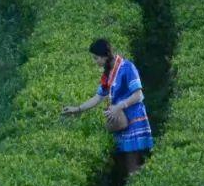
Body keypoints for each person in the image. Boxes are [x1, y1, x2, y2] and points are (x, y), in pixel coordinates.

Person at [61, 38, 153, 174]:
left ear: (105, 56)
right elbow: (98, 97)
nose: (95, 61)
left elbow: (138, 95)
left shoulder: (127, 67)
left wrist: (119, 106)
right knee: (125, 164)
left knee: (132, 164)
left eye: (96, 58)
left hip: (133, 119)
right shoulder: (108, 73)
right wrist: (78, 109)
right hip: (120, 120)